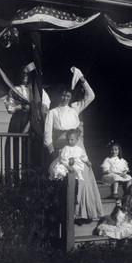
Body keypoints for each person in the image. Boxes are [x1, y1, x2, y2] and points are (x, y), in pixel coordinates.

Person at [44, 67, 104, 222]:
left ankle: (83, 213)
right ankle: (69, 214)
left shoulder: (74, 108)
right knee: (66, 178)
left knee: (83, 176)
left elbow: (91, 96)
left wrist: (82, 79)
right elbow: (47, 136)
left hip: (78, 148)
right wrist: (52, 153)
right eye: (63, 95)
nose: (65, 98)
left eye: (68, 95)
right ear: (59, 95)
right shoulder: (53, 112)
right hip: (62, 149)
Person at [4, 62, 50, 175]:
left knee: (32, 147)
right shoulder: (15, 90)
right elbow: (9, 107)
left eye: (27, 74)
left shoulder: (37, 90)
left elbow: (45, 104)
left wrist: (37, 109)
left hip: (34, 120)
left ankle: (31, 176)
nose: (24, 76)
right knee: (16, 147)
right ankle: (14, 177)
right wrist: (21, 106)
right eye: (22, 73)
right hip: (18, 120)